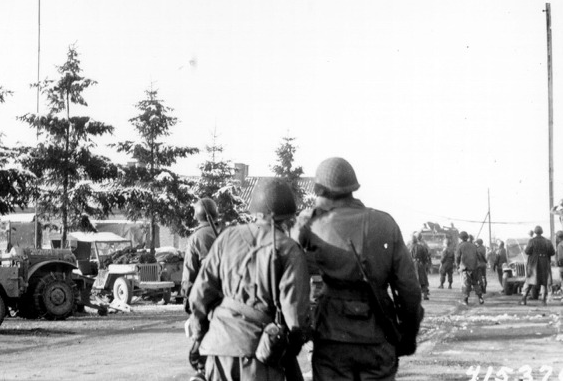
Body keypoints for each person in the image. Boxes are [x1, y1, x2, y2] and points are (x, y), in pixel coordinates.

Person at [295, 156, 422, 381]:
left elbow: (290, 271)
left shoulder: (311, 226)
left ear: (320, 190)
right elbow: (409, 289)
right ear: (352, 187)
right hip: (378, 336)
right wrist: (408, 335)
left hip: (332, 338)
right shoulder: (385, 223)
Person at [185, 177, 309, 381]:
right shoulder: (288, 248)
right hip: (258, 357)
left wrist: (200, 336)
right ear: (287, 217)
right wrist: (287, 349)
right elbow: (295, 316)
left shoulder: (227, 237)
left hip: (217, 350)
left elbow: (200, 294)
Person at [183, 197, 223, 380]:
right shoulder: (225, 233)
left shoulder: (195, 239)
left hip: (205, 301)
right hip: (230, 301)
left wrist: (187, 301)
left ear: (197, 216)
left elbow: (189, 278)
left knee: (196, 355)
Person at [521, 227, 554, 305]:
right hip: (544, 263)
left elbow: (527, 251)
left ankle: (523, 299)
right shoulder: (547, 241)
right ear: (541, 232)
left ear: (535, 232)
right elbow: (552, 252)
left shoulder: (531, 241)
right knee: (544, 281)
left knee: (529, 281)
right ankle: (543, 300)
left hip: (533, 263)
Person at [455, 232, 484, 305]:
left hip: (465, 268)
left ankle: (465, 300)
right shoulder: (473, 245)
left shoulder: (460, 246)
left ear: (461, 238)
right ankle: (480, 297)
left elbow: (457, 257)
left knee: (466, 284)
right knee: (475, 283)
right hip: (474, 267)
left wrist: (457, 266)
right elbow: (478, 256)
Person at [409, 232, 431, 301]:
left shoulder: (409, 247)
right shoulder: (422, 246)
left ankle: (413, 296)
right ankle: (425, 295)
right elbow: (426, 255)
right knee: (423, 280)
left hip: (412, 264)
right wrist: (424, 263)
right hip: (421, 264)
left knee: (413, 280)